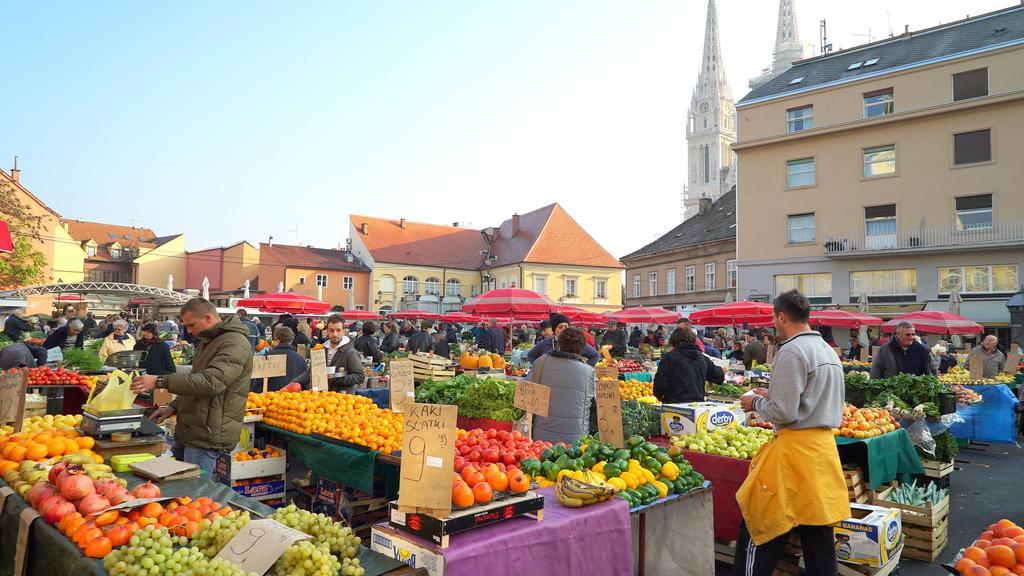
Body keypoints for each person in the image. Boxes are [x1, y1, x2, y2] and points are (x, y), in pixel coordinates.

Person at [734, 290, 850, 576]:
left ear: (782, 317)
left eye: (775, 318)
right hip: (821, 451)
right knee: (818, 536)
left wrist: (755, 402)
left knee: (761, 524)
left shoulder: (792, 350)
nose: (774, 323)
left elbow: (785, 413)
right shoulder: (827, 351)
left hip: (794, 452)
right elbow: (810, 397)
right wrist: (771, 393)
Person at [132, 298, 252, 474]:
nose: (188, 331)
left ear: (208, 318)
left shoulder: (234, 342)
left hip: (207, 433)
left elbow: (211, 383)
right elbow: (195, 380)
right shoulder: (208, 341)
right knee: (181, 485)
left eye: (191, 325)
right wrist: (173, 407)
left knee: (194, 494)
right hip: (193, 428)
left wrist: (160, 381)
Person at [527, 327, 595, 445]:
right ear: (582, 348)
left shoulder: (541, 363)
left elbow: (526, 394)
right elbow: (594, 402)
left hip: (541, 438)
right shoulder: (589, 372)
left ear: (559, 343)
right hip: (575, 441)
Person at [293, 314, 365, 390]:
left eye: (338, 330)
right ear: (327, 331)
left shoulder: (350, 353)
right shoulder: (321, 350)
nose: (335, 334)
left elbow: (360, 376)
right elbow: (309, 373)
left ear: (343, 332)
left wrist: (337, 378)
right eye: (331, 330)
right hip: (321, 397)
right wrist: (293, 383)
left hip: (342, 398)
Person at [654, 328, 725, 403]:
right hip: (697, 405)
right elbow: (719, 377)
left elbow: (660, 383)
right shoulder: (702, 357)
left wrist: (659, 396)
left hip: (674, 405)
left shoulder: (669, 357)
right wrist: (721, 371)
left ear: (674, 341)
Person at [527, 313, 600, 366]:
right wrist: (540, 368)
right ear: (554, 330)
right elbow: (531, 355)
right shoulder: (546, 343)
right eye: (560, 327)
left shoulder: (576, 342)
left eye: (566, 326)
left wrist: (584, 368)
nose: (564, 329)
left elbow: (595, 356)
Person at [870, 322, 934, 379]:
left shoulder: (922, 350)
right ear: (898, 334)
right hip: (890, 390)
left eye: (913, 334)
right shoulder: (885, 349)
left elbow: (929, 373)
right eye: (908, 335)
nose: (911, 337)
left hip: (915, 391)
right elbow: (876, 372)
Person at [257, 327, 308, 392]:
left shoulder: (268, 357)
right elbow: (305, 385)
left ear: (277, 341)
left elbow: (257, 383)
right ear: (291, 341)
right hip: (294, 399)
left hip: (270, 398)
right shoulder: (300, 359)